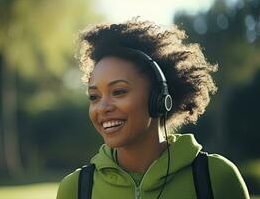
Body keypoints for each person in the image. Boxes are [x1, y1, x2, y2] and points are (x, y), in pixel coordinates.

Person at [56, 19, 250, 199]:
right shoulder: (76, 188)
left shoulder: (216, 178)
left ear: (158, 97)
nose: (102, 108)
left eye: (118, 92)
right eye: (94, 97)